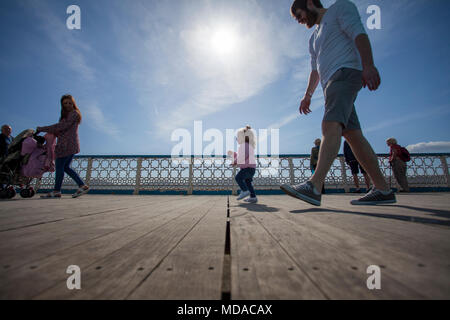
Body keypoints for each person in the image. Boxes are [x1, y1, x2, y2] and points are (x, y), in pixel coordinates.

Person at [280, 0, 395, 206]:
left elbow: (359, 34)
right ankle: (383, 189)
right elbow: (315, 69)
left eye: (299, 15)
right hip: (329, 85)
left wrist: (368, 65)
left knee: (329, 124)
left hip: (345, 72)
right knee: (353, 135)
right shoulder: (313, 38)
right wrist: (307, 95)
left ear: (309, 3)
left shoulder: (340, 8)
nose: (299, 20)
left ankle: (314, 186)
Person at [36, 94, 89, 198]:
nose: (68, 105)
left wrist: (43, 129)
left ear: (73, 103)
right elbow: (61, 130)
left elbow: (61, 126)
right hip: (69, 144)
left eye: (70, 103)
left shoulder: (74, 114)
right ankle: (82, 185)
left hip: (66, 145)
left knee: (60, 167)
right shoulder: (65, 116)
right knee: (65, 167)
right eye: (65, 103)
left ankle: (56, 191)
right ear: (62, 105)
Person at [230, 125, 258, 203]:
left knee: (238, 178)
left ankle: (245, 191)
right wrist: (234, 154)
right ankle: (253, 197)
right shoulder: (249, 146)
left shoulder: (244, 145)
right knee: (248, 182)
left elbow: (243, 156)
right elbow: (242, 155)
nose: (236, 139)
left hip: (247, 168)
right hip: (251, 168)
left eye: (237, 137)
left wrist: (235, 161)